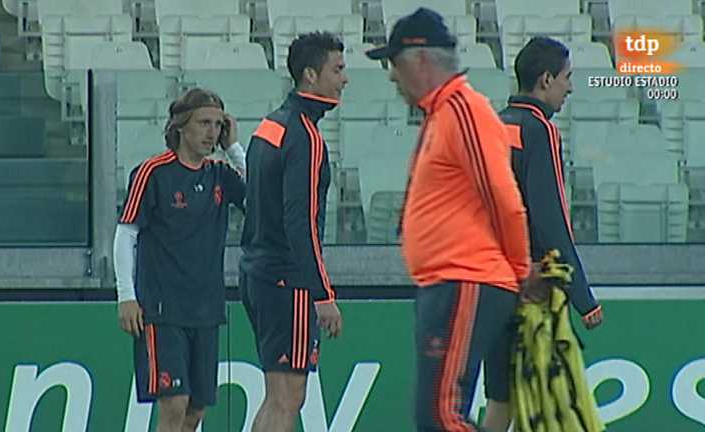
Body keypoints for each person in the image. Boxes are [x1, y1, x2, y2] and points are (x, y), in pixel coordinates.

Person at [366, 8, 533, 432]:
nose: (391, 75)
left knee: (440, 416)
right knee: (440, 414)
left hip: (466, 278)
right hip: (452, 281)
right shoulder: (445, 113)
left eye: (394, 63)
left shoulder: (462, 110)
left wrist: (519, 272)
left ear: (421, 59)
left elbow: (503, 198)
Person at [113, 88, 246, 432]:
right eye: (203, 123)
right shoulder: (152, 173)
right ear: (181, 126)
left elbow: (261, 199)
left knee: (195, 410)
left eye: (217, 125)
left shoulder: (220, 174)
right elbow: (126, 233)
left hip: (206, 308)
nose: (211, 133)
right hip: (163, 308)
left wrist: (234, 147)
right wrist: (126, 296)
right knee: (173, 402)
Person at [491, 37, 604, 429]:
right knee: (549, 399)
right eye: (567, 78)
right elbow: (549, 218)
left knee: (501, 399)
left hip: (491, 281)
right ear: (545, 80)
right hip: (533, 287)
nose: (570, 88)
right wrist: (583, 298)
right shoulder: (540, 130)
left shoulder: (495, 124)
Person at [239, 31, 347, 432]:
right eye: (337, 69)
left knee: (277, 395)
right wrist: (322, 294)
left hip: (257, 273)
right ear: (310, 75)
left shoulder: (270, 124)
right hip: (288, 280)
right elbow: (300, 221)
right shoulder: (306, 135)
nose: (344, 79)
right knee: (288, 397)